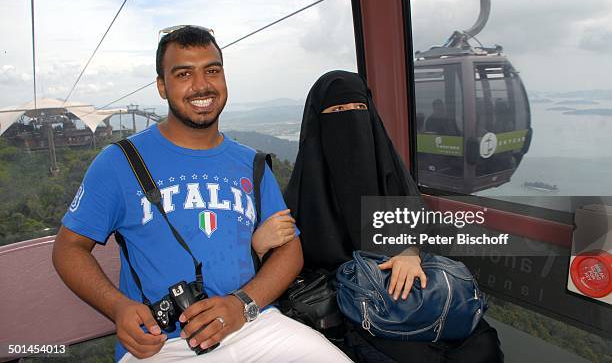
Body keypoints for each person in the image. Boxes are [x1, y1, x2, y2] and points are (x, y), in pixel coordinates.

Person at [52, 26, 352, 363]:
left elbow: (290, 249)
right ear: (162, 86)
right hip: (164, 344)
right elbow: (69, 248)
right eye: (184, 73)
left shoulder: (250, 164)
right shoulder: (119, 162)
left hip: (254, 324)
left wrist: (242, 304)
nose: (201, 85)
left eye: (212, 70)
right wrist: (118, 307)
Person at [278, 71, 503, 363]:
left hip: (403, 281)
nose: (349, 118)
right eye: (337, 111)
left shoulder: (390, 174)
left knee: (483, 346)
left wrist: (410, 251)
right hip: (350, 304)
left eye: (358, 109)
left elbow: (415, 223)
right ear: (317, 122)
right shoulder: (300, 197)